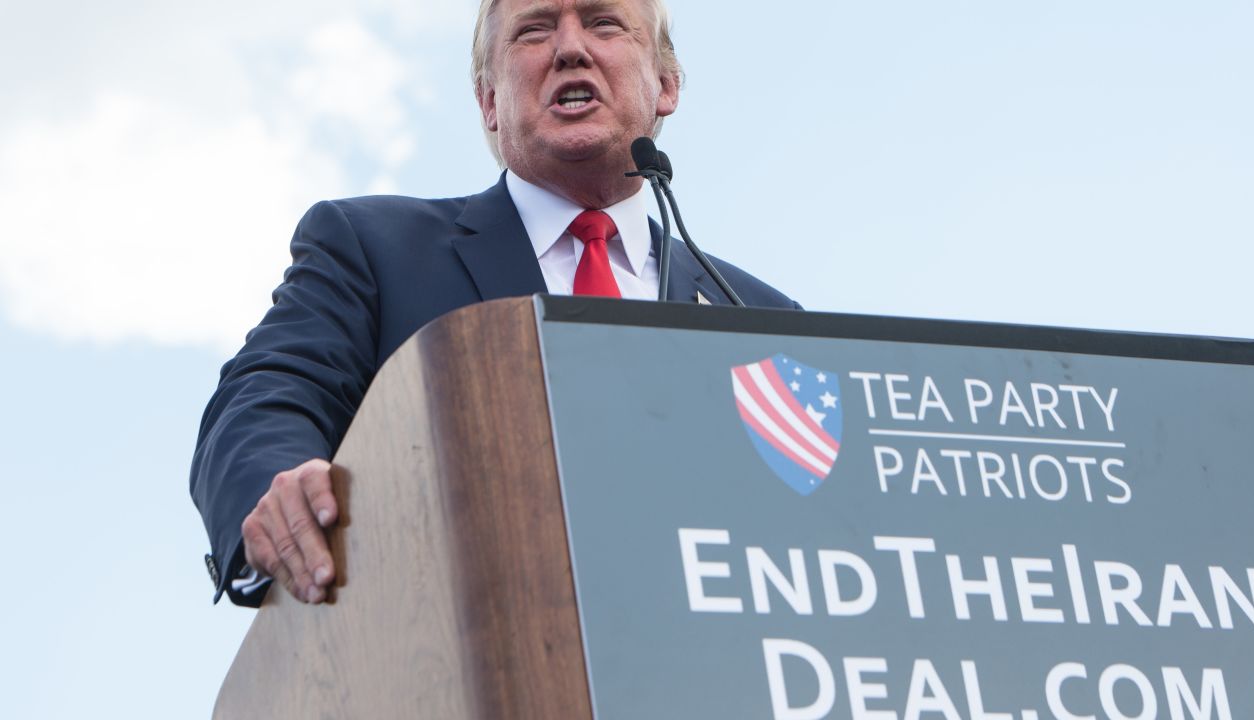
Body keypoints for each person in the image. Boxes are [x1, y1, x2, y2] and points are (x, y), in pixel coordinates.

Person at [191, 0, 800, 608]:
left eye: (603, 22)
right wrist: (280, 484)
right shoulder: (375, 249)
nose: (570, 48)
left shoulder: (763, 320)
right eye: (534, 30)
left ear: (666, 85)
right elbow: (270, 392)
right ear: (488, 101)